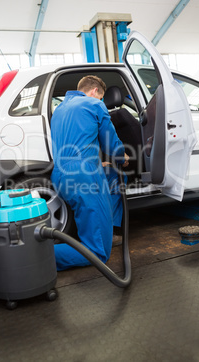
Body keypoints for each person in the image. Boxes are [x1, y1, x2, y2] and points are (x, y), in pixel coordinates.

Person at [51, 75, 129, 271]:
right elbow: (111, 144)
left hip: (60, 175)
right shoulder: (94, 105)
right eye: (101, 98)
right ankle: (35, 257)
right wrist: (122, 157)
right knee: (98, 253)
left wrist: (95, 160)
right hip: (85, 179)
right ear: (95, 92)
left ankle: (109, 230)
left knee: (114, 176)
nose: (102, 102)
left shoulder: (59, 109)